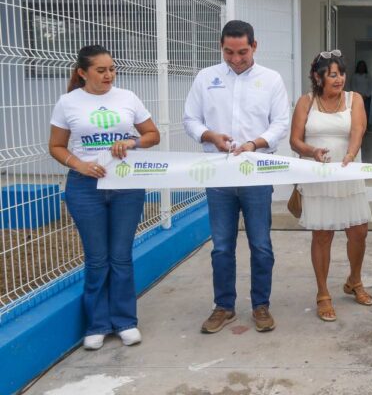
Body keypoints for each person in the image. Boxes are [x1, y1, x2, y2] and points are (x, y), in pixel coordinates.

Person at [49, 45, 160, 350]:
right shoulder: (68, 102)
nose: (109, 75)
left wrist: (131, 142)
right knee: (97, 258)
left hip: (126, 185)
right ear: (82, 73)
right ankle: (97, 324)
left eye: (112, 69)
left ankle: (125, 322)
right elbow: (56, 146)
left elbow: (153, 134)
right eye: (101, 70)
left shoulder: (127, 98)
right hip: (84, 189)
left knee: (121, 255)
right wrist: (80, 165)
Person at [183, 20, 290, 334]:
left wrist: (254, 143)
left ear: (254, 46)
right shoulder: (206, 78)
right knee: (221, 246)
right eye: (229, 52)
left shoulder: (271, 80)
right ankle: (224, 306)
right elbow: (190, 118)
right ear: (221, 47)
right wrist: (210, 135)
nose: (236, 58)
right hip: (219, 175)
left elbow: (280, 123)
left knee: (261, 245)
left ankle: (261, 305)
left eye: (242, 51)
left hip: (256, 174)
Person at [289, 50, 372, 322]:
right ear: (318, 76)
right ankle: (323, 293)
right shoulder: (306, 102)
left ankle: (354, 281)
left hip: (348, 173)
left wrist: (349, 155)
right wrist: (312, 151)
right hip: (318, 176)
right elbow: (295, 141)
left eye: (341, 74)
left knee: (359, 231)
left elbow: (358, 130)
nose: (339, 79)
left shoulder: (355, 99)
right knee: (322, 235)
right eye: (333, 74)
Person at [351, 60, 372, 124]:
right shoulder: (354, 76)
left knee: (366, 112)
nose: (361, 67)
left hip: (367, 97)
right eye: (360, 66)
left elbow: (370, 86)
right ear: (358, 67)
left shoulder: (368, 76)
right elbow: (353, 86)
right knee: (357, 112)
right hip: (357, 98)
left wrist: (366, 95)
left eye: (363, 66)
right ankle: (358, 126)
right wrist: (359, 96)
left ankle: (366, 127)